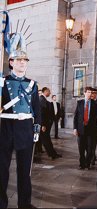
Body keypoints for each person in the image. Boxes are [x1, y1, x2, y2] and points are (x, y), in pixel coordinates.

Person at [0, 46, 40, 208]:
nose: (23, 63)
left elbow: (36, 108)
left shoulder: (32, 84)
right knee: (2, 170)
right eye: (19, 60)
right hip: (6, 127)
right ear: (11, 62)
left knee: (25, 171)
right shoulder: (3, 82)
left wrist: (37, 127)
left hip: (25, 128)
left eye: (25, 60)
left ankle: (25, 203)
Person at [73, 86, 97, 170]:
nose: (90, 94)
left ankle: (87, 164)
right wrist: (75, 128)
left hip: (91, 130)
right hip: (81, 129)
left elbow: (96, 118)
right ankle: (81, 164)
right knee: (81, 148)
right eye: (88, 92)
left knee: (90, 148)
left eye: (91, 93)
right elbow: (76, 116)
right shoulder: (79, 103)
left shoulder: (95, 104)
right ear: (84, 93)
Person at [39, 87, 62, 160]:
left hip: (44, 124)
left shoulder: (43, 99)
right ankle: (52, 154)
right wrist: (43, 125)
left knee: (46, 139)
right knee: (46, 140)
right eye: (49, 92)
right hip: (43, 125)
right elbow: (42, 113)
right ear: (45, 91)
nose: (50, 93)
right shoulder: (41, 99)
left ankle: (52, 154)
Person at [90, 88, 97, 166]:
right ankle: (92, 157)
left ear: (96, 94)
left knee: (93, 144)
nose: (92, 95)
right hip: (88, 127)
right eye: (91, 93)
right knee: (88, 144)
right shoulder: (88, 102)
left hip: (95, 127)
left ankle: (92, 159)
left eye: (93, 93)